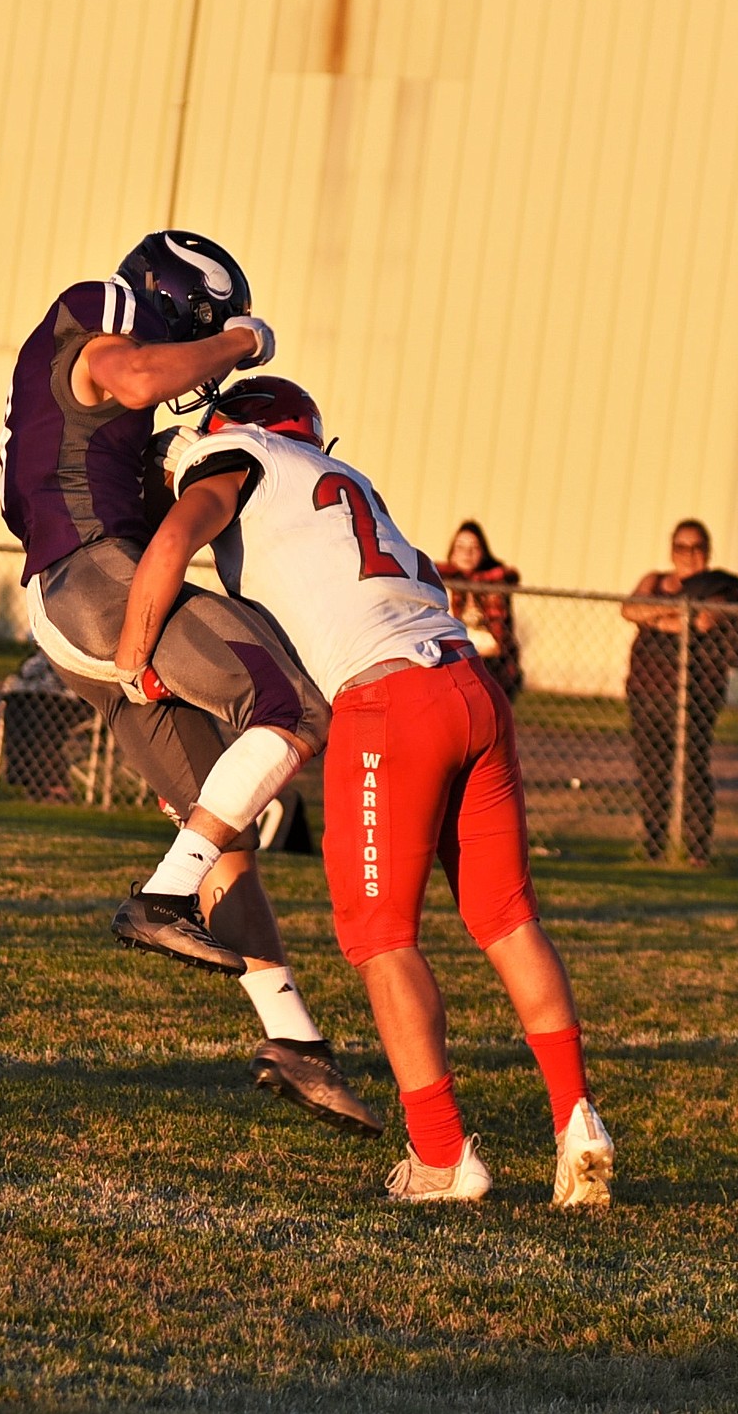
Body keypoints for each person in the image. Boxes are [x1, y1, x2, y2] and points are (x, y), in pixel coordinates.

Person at [117, 376, 614, 1207]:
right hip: (470, 682)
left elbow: (172, 541)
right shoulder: (350, 487)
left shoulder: (237, 454)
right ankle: (577, 1117)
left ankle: (440, 1152)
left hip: (390, 701)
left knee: (382, 939)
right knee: (507, 918)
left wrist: (136, 656)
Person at [0, 229, 379, 1137]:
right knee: (296, 707)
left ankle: (294, 1040)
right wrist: (244, 340)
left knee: (221, 827)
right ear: (175, 299)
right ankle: (162, 896)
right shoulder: (102, 307)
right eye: (204, 325)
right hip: (97, 578)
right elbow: (133, 377)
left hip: (76, 602)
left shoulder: (134, 428)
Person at [622, 520, 738, 866]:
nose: (689, 555)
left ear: (707, 551)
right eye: (682, 547)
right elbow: (629, 608)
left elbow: (701, 621)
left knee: (692, 768)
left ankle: (696, 849)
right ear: (671, 550)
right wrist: (673, 613)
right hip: (647, 690)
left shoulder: (721, 587)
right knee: (652, 770)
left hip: (695, 694)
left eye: (696, 547)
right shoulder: (654, 580)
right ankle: (654, 845)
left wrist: (653, 617)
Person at [436, 521, 523, 701]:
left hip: (490, 663)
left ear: (483, 552)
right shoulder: (439, 582)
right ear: (452, 552)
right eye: (460, 547)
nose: (467, 553)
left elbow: (500, 638)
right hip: (452, 658)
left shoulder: (494, 584)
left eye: (474, 547)